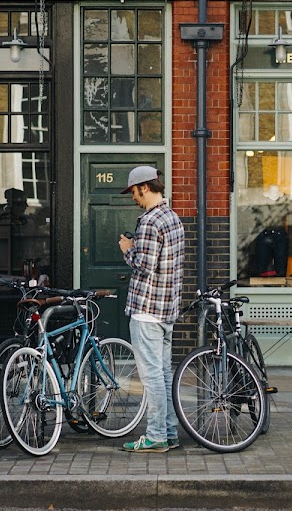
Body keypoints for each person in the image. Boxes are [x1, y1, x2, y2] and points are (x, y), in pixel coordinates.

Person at [118, 166, 185, 453]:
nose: (133, 197)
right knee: (163, 374)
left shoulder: (149, 221)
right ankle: (168, 432)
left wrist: (127, 249)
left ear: (145, 187)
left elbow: (145, 265)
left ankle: (157, 435)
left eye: (133, 191)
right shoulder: (173, 218)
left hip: (146, 308)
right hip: (167, 308)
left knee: (151, 376)